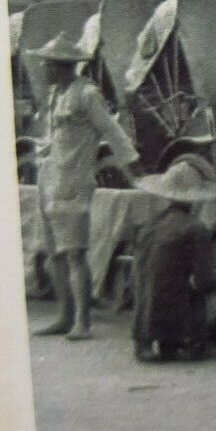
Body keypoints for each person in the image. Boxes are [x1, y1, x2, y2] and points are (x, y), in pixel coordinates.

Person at [31, 31, 142, 341]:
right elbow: (54, 139)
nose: (43, 69)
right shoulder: (57, 95)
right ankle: (64, 315)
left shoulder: (85, 95)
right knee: (54, 254)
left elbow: (112, 130)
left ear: (63, 66)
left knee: (75, 254)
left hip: (74, 183)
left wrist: (131, 163)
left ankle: (82, 320)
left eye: (48, 65)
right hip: (50, 180)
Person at [132, 153, 216, 362]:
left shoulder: (150, 226)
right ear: (195, 197)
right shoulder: (195, 228)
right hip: (179, 320)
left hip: (144, 325)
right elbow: (203, 281)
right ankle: (200, 341)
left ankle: (161, 342)